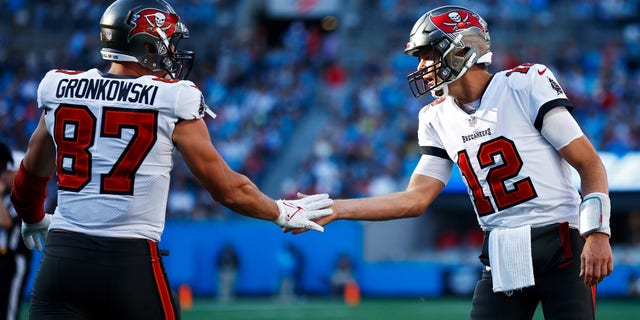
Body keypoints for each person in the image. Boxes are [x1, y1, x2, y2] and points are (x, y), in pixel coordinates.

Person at [9, 0, 333, 319]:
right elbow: (228, 190)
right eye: (167, 43)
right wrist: (279, 211)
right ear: (146, 45)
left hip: (62, 261)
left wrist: (33, 216)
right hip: (129, 263)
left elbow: (31, 175)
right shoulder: (172, 97)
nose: (172, 52)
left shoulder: (60, 87)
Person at [297, 5, 613, 320]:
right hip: (502, 249)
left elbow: (588, 163)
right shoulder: (435, 117)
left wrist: (597, 232)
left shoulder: (525, 84)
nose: (422, 66)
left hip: (562, 243)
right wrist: (337, 209)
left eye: (428, 54)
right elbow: (414, 200)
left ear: (462, 48)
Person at [0, 144, 31, 320]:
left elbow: (6, 222)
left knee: (9, 309)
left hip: (15, 258)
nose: (4, 174)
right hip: (4, 257)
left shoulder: (24, 196)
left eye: (9, 171)